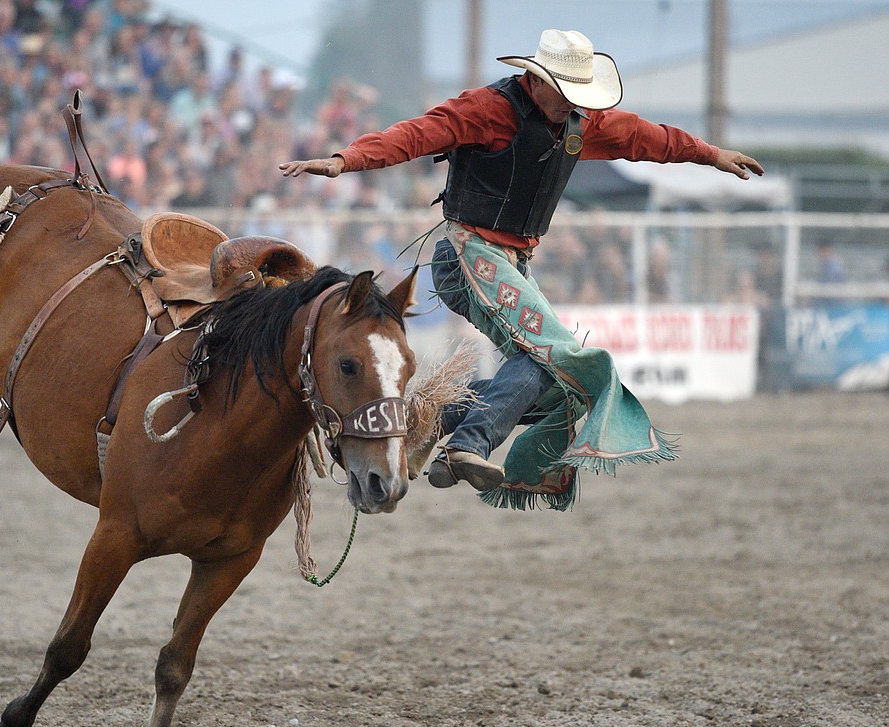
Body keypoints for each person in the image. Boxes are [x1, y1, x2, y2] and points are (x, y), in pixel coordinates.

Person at [281, 29, 763, 508]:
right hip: (469, 252)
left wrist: (711, 155)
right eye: (567, 94)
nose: (575, 106)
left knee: (562, 386)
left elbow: (644, 138)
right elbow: (415, 134)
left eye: (581, 96)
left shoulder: (581, 121)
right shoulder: (488, 109)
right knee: (559, 355)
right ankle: (468, 444)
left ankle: (435, 415)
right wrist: (347, 160)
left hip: (511, 263)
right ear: (537, 81)